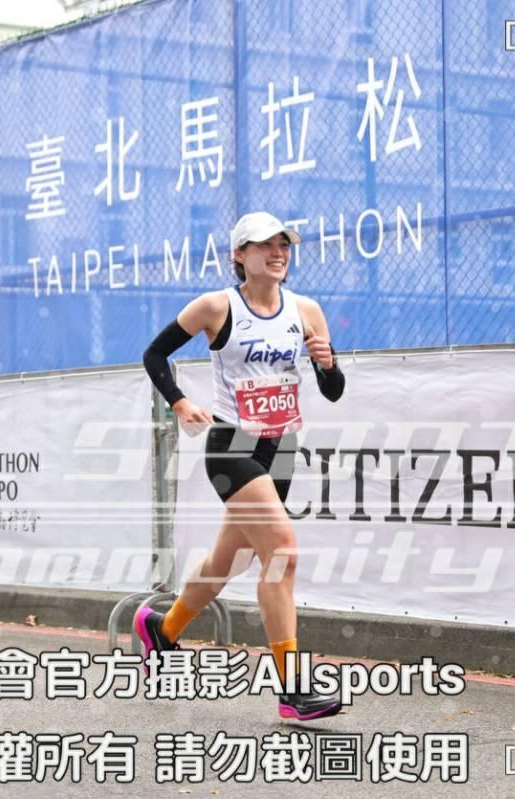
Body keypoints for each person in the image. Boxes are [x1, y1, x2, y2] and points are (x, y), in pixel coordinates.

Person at [138, 211, 346, 720]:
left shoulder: (306, 311)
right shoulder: (216, 307)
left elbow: (333, 391)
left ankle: (161, 630)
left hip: (281, 446)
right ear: (239, 254)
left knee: (226, 563)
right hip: (232, 445)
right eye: (265, 245)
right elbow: (154, 355)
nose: (278, 253)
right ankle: (293, 691)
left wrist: (327, 363)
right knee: (282, 555)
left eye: (284, 245)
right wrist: (180, 402)